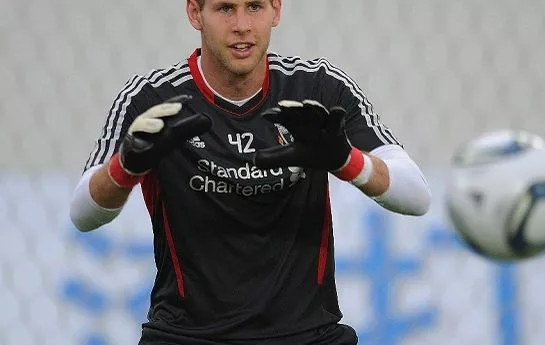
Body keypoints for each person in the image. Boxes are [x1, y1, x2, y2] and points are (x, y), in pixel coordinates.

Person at [69, 0, 431, 344]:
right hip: (186, 337)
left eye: (254, 6)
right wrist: (126, 167)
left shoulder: (318, 88)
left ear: (276, 10)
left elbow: (416, 195)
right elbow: (83, 214)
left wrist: (346, 160)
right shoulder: (151, 98)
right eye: (225, 8)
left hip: (308, 336)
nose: (242, 26)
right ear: (195, 13)